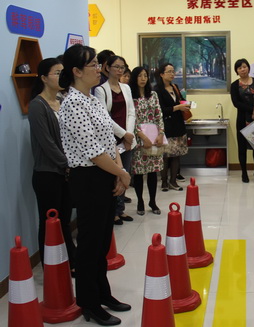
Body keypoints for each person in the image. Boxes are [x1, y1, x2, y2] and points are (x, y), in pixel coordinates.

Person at [59, 44, 131, 326]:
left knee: (102, 241)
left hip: (106, 173)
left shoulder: (92, 99)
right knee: (89, 244)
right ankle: (89, 303)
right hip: (87, 178)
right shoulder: (72, 104)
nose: (98, 69)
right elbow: (92, 151)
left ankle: (103, 293)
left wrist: (118, 171)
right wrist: (122, 174)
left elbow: (108, 139)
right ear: (76, 71)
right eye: (92, 65)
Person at [28, 58, 76, 272]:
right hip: (48, 173)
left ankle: (69, 261)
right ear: (44, 78)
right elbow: (46, 142)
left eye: (62, 72)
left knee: (64, 219)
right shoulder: (37, 106)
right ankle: (51, 267)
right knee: (49, 222)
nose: (61, 76)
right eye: (57, 73)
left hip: (66, 171)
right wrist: (67, 163)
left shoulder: (63, 99)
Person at [95, 55, 137, 225]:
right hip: (111, 139)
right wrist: (123, 134)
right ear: (107, 68)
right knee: (114, 176)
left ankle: (120, 209)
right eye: (116, 67)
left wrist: (129, 134)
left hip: (127, 138)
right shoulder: (101, 90)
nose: (120, 70)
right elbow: (104, 117)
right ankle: (113, 212)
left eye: (122, 67)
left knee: (124, 173)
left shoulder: (126, 87)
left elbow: (131, 112)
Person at [129, 66, 164, 215]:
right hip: (138, 138)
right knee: (138, 173)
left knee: (152, 172)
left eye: (145, 76)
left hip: (154, 136)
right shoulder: (130, 95)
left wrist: (161, 133)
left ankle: (152, 201)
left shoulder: (153, 95)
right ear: (134, 78)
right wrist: (141, 135)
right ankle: (140, 201)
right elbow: (130, 118)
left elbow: (158, 115)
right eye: (140, 76)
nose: (143, 79)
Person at [155, 63, 189, 191]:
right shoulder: (157, 90)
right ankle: (164, 182)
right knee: (165, 155)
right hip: (166, 126)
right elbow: (160, 110)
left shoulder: (175, 87)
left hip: (178, 125)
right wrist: (177, 107)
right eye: (169, 71)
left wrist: (184, 104)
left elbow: (179, 102)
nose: (172, 74)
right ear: (162, 74)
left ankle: (173, 181)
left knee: (176, 155)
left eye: (173, 71)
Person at [230, 58, 254, 183]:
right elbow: (236, 103)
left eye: (244, 66)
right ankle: (244, 173)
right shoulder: (234, 85)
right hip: (242, 120)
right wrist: (253, 109)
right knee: (242, 148)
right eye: (239, 68)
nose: (242, 69)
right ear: (237, 71)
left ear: (248, 67)